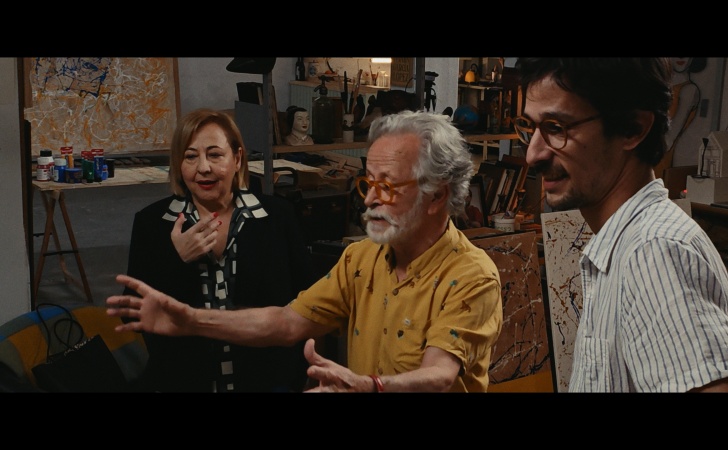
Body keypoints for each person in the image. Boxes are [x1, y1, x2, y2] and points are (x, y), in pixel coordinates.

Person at [108, 110, 504, 393]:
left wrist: (368, 386)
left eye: (387, 186)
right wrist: (192, 320)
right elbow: (287, 322)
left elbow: (439, 376)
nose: (369, 200)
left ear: (437, 196)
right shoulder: (361, 259)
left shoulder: (472, 274)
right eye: (368, 183)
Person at [515, 57, 728, 392]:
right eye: (531, 128)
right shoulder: (625, 244)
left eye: (556, 128)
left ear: (632, 128)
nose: (533, 155)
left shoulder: (654, 252)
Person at [123, 108, 315, 392]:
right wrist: (177, 260)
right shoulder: (153, 223)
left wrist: (300, 374)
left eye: (214, 155)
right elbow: (133, 314)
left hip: (267, 382)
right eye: (190, 156)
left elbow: (310, 303)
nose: (203, 168)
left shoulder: (277, 217)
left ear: (237, 159)